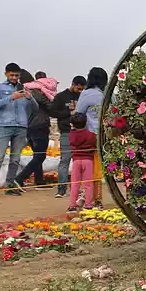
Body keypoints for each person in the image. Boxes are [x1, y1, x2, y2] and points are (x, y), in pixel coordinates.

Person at [0, 63, 33, 198]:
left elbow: (34, 108)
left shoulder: (23, 89)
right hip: (4, 126)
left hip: (21, 127)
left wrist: (30, 97)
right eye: (11, 75)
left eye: (16, 75)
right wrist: (11, 97)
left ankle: (10, 185)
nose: (14, 77)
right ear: (6, 74)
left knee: (15, 159)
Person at [14, 72, 59, 188]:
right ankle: (20, 178)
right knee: (40, 156)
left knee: (37, 155)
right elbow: (50, 106)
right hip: (39, 125)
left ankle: (39, 181)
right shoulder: (36, 92)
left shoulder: (20, 93)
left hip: (28, 126)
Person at [75, 67, 108, 208]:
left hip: (89, 136)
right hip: (103, 136)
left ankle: (86, 196)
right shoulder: (107, 94)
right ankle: (97, 199)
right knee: (98, 169)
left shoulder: (86, 94)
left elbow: (79, 114)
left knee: (88, 168)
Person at [49, 75, 86, 197]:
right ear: (73, 84)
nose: (80, 91)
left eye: (82, 89)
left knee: (80, 162)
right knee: (65, 160)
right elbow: (52, 111)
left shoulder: (82, 97)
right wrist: (67, 113)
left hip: (81, 132)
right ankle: (61, 189)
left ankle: (78, 189)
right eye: (78, 88)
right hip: (66, 131)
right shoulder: (61, 97)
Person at [67, 112, 97, 211]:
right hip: (88, 160)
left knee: (75, 183)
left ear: (72, 124)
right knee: (88, 184)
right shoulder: (91, 135)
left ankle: (72, 205)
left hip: (76, 160)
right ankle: (88, 204)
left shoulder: (71, 135)